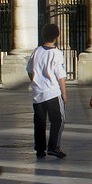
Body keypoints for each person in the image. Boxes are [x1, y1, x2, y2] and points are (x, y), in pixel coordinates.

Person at [28, 22, 67, 159]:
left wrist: (36, 81)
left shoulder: (36, 51)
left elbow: (30, 71)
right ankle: (53, 147)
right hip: (53, 92)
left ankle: (40, 149)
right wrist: (64, 94)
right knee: (58, 120)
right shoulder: (56, 53)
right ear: (57, 36)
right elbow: (60, 76)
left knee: (39, 122)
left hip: (38, 93)